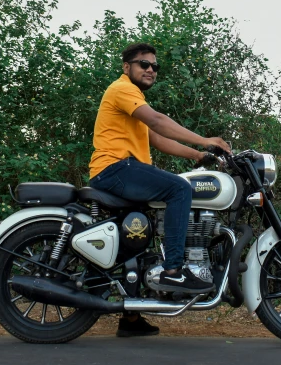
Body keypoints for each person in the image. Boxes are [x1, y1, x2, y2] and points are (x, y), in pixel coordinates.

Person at [88, 42, 232, 338]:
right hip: (114, 168)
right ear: (127, 67)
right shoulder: (122, 89)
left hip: (122, 170)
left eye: (155, 66)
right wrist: (205, 140)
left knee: (140, 237)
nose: (151, 69)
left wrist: (198, 157)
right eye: (144, 64)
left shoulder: (133, 101)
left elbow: (155, 136)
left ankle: (130, 318)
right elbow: (158, 121)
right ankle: (173, 271)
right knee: (179, 189)